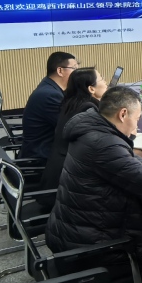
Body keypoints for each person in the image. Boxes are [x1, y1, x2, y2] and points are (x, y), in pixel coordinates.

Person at [45, 86, 142, 283]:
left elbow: (130, 162)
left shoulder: (93, 127)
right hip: (89, 249)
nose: (137, 125)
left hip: (76, 232)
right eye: (137, 118)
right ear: (123, 114)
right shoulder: (103, 143)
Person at [35, 67, 108, 209]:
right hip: (66, 188)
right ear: (91, 89)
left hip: (57, 175)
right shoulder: (88, 110)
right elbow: (101, 144)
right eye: (102, 79)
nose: (105, 83)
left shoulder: (71, 103)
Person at [19, 51, 78, 163]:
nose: (77, 73)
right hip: (42, 157)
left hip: (44, 148)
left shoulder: (49, 86)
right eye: (74, 68)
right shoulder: (50, 95)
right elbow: (70, 127)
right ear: (60, 71)